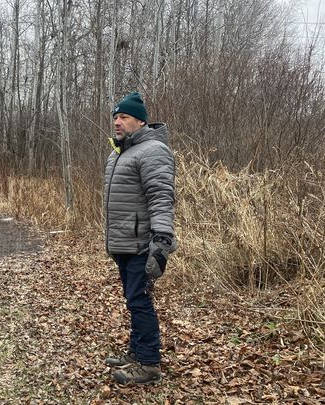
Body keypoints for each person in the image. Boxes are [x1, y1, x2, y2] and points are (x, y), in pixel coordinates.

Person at [103, 92, 177, 385]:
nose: (117, 122)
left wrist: (161, 240)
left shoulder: (153, 150)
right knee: (133, 300)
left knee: (140, 300)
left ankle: (148, 364)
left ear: (141, 120)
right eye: (115, 117)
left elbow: (161, 198)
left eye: (124, 117)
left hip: (141, 244)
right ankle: (136, 352)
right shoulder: (119, 152)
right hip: (122, 242)